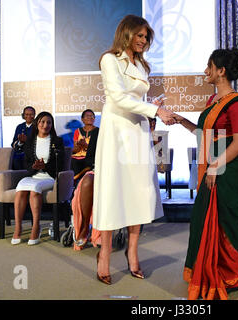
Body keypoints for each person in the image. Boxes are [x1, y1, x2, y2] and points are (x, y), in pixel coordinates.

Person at [174, 48, 238, 300]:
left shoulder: (236, 103)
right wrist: (182, 121)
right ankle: (207, 268)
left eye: (209, 67)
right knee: (203, 220)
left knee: (228, 220)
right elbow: (205, 136)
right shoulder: (212, 102)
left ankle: (231, 274)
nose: (206, 71)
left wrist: (215, 165)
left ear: (221, 71)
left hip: (226, 171)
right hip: (212, 169)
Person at [93, 15, 176, 285]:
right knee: (112, 190)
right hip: (116, 131)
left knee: (140, 190)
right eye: (139, 35)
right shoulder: (109, 59)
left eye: (145, 37)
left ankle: (133, 252)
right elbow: (117, 98)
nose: (143, 41)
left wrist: (152, 104)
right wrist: (155, 110)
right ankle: (104, 253)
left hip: (138, 131)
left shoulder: (141, 64)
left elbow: (135, 99)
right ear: (126, 33)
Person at [11, 111, 65, 246]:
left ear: (52, 125)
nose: (45, 125)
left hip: (49, 177)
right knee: (20, 188)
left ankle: (36, 226)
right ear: (37, 123)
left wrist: (45, 166)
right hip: (33, 175)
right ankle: (18, 227)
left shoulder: (57, 141)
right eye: (42, 122)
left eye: (48, 122)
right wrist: (35, 166)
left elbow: (60, 164)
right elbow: (27, 163)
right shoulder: (30, 141)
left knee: (35, 190)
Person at [70, 128, 100, 250]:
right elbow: (89, 159)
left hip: (120, 172)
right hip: (98, 169)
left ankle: (101, 231)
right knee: (87, 181)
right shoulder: (98, 132)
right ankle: (84, 226)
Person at [71, 109, 98, 177]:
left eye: (92, 116)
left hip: (90, 157)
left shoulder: (98, 131)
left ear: (94, 119)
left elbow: (97, 149)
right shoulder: (77, 131)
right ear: (82, 119)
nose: (90, 117)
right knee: (71, 161)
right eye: (87, 116)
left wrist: (86, 145)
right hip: (77, 156)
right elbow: (74, 150)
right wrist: (79, 145)